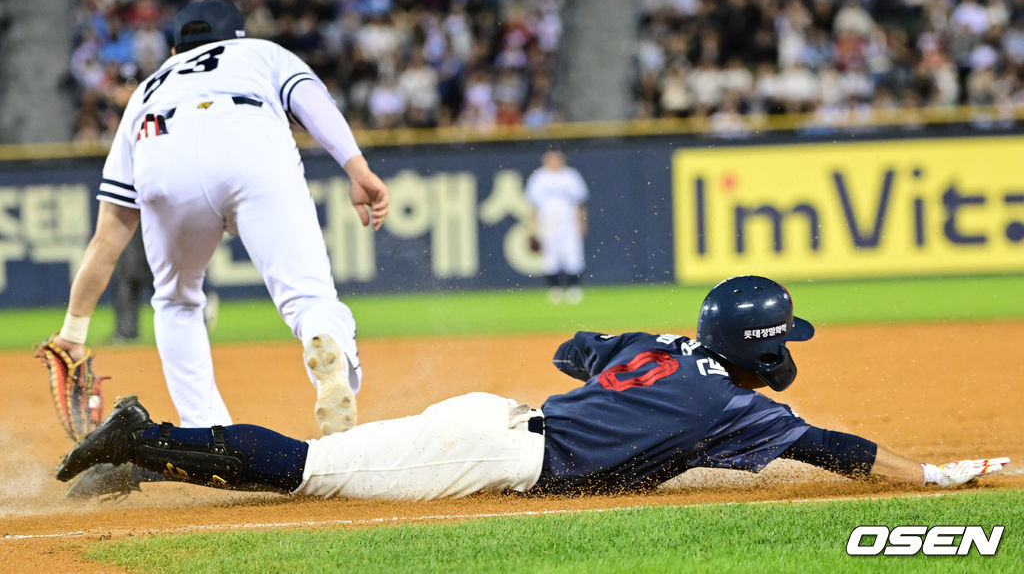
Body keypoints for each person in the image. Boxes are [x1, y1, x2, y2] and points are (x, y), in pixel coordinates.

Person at [55, 276, 1008, 501]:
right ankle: (147, 437)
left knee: (328, 467)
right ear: (763, 350)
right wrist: (935, 475)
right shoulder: (740, 405)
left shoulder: (663, 349)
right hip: (495, 449)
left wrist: (630, 368)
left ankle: (150, 444)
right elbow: (834, 448)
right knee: (311, 472)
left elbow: (573, 347)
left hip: (499, 419)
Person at [49, 0, 389, 496]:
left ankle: (206, 431)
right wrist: (357, 169)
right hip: (250, 138)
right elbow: (310, 100)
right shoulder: (257, 53)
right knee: (308, 296)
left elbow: (108, 236)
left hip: (162, 148)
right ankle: (325, 342)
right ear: (237, 35)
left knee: (176, 300)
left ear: (173, 48)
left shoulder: (148, 87)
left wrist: (73, 331)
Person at [525, 148, 589, 304]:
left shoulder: (571, 176)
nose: (554, 161)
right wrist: (531, 227)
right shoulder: (539, 177)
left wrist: (582, 222)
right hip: (547, 221)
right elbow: (533, 206)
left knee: (573, 253)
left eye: (556, 158)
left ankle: (574, 289)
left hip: (569, 221)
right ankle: (554, 289)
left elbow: (580, 203)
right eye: (550, 158)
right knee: (550, 256)